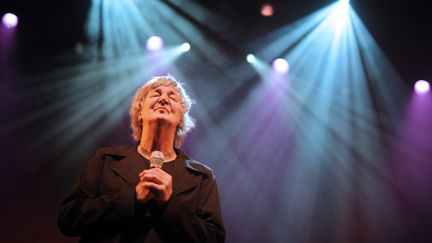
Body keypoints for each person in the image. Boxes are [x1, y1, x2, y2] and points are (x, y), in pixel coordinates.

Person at [58, 75, 225, 242]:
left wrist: (170, 203)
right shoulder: (106, 160)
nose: (163, 99)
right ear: (139, 113)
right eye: (156, 94)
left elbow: (214, 239)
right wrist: (132, 198)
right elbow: (69, 219)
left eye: (172, 96)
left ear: (181, 119)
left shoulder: (201, 176)